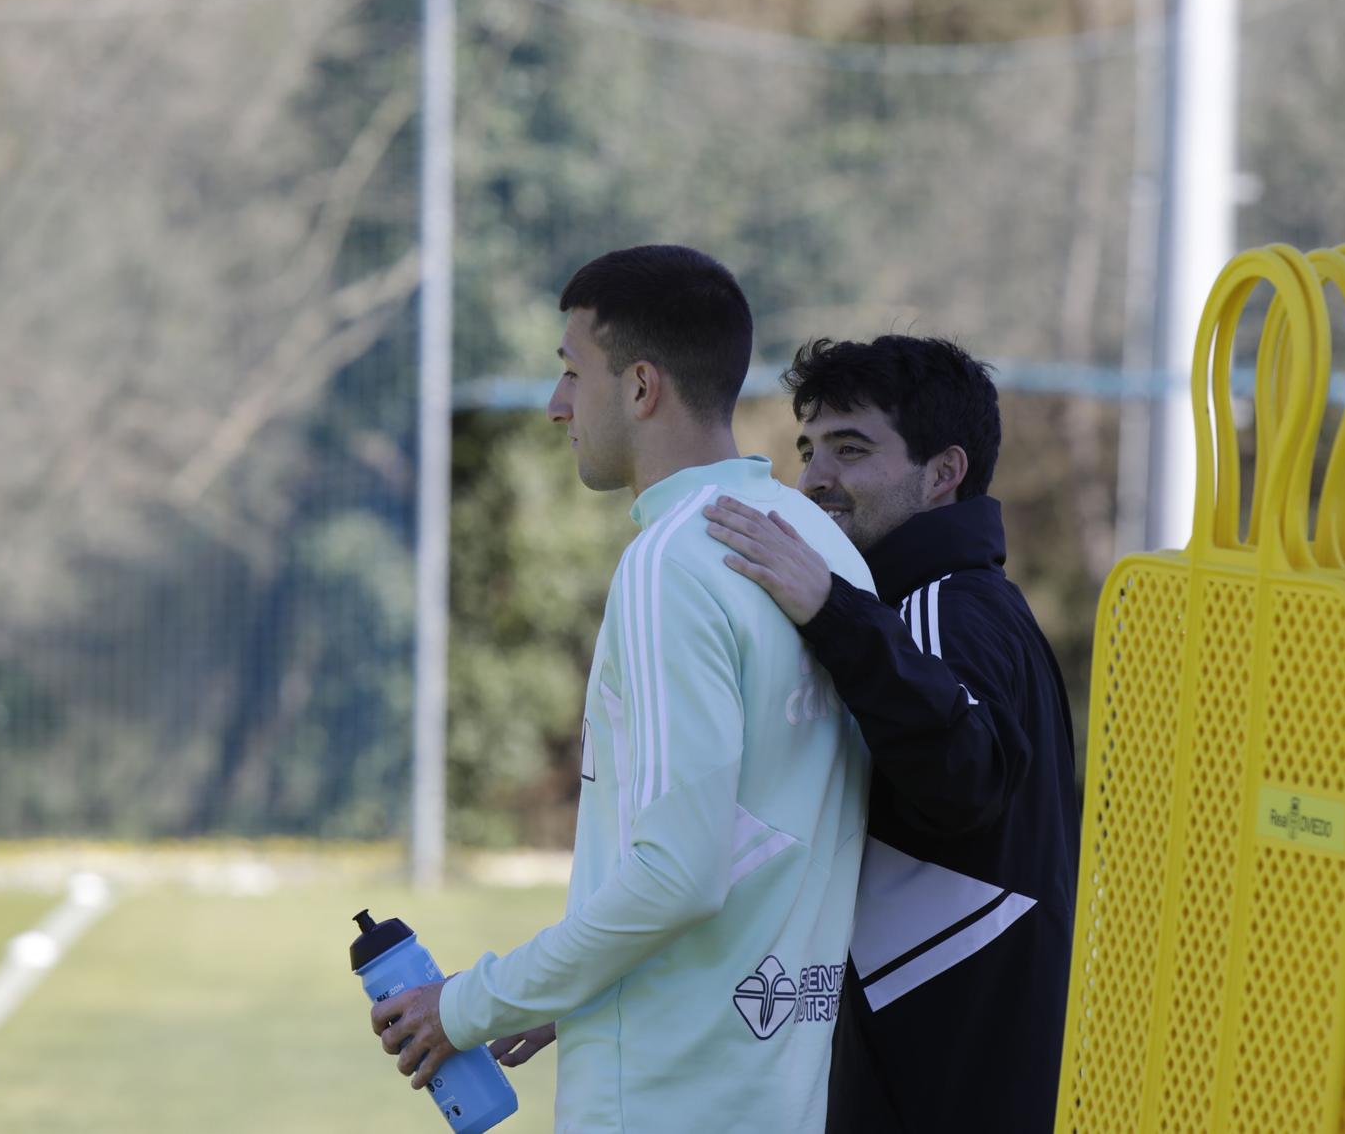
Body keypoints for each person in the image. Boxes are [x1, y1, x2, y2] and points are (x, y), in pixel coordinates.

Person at [373, 245, 876, 1132]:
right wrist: (558, 993)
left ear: (642, 387)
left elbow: (679, 875)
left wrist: (468, 1003)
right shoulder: (820, 545)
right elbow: (758, 840)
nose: (556, 403)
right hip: (781, 1099)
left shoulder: (672, 559)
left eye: (572, 371)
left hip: (662, 1103)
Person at [702, 335, 1079, 1134]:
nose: (814, 478)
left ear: (943, 473)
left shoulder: (936, 607)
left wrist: (833, 609)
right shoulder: (936, 606)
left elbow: (962, 778)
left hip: (942, 1090)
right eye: (809, 448)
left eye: (852, 448)